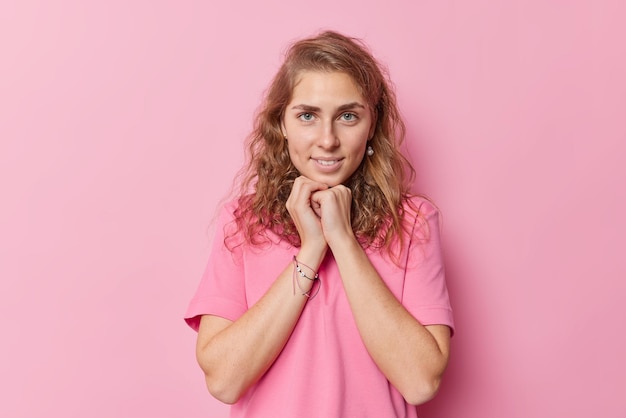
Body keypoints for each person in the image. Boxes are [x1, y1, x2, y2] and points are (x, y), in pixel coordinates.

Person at [184, 30, 454, 418]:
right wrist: (311, 250)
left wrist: (342, 240)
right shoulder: (243, 222)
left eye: (347, 116)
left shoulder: (413, 223)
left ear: (372, 124)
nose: (327, 140)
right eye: (307, 116)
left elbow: (420, 381)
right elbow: (225, 381)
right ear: (282, 125)